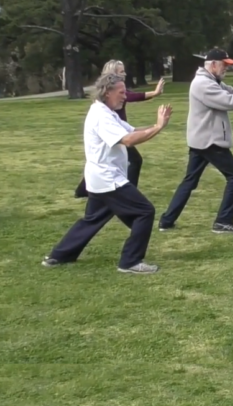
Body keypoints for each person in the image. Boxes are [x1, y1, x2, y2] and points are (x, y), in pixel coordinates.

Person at [42, 73, 173, 274]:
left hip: (98, 178)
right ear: (107, 92)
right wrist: (157, 127)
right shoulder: (101, 116)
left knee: (93, 218)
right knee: (144, 211)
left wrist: (158, 126)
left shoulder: (108, 112)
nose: (125, 96)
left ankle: (59, 255)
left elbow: (133, 130)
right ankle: (130, 262)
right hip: (107, 178)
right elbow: (128, 140)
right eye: (121, 92)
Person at [158, 48, 233, 234]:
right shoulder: (203, 84)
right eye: (224, 65)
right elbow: (230, 102)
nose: (226, 68)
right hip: (210, 141)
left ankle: (167, 220)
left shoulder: (212, 81)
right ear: (213, 64)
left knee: (189, 181)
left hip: (202, 139)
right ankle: (223, 222)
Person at [74, 60, 165, 198]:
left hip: (121, 130)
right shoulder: (103, 109)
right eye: (121, 71)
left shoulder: (115, 96)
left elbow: (131, 100)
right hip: (115, 133)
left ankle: (88, 190)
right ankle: (127, 191)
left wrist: (157, 125)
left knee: (102, 163)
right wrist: (155, 94)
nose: (125, 73)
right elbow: (133, 98)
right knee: (130, 161)